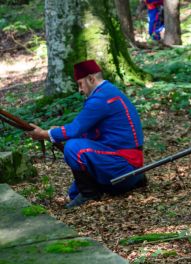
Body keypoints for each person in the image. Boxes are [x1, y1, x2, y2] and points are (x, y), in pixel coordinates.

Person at [27, 59, 146, 208]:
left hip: (125, 166)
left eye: (80, 84)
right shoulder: (108, 91)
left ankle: (90, 195)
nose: (80, 90)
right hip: (127, 164)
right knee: (73, 193)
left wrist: (44, 134)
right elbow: (89, 132)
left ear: (91, 79)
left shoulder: (100, 98)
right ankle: (125, 183)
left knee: (73, 147)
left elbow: (75, 129)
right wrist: (57, 132)